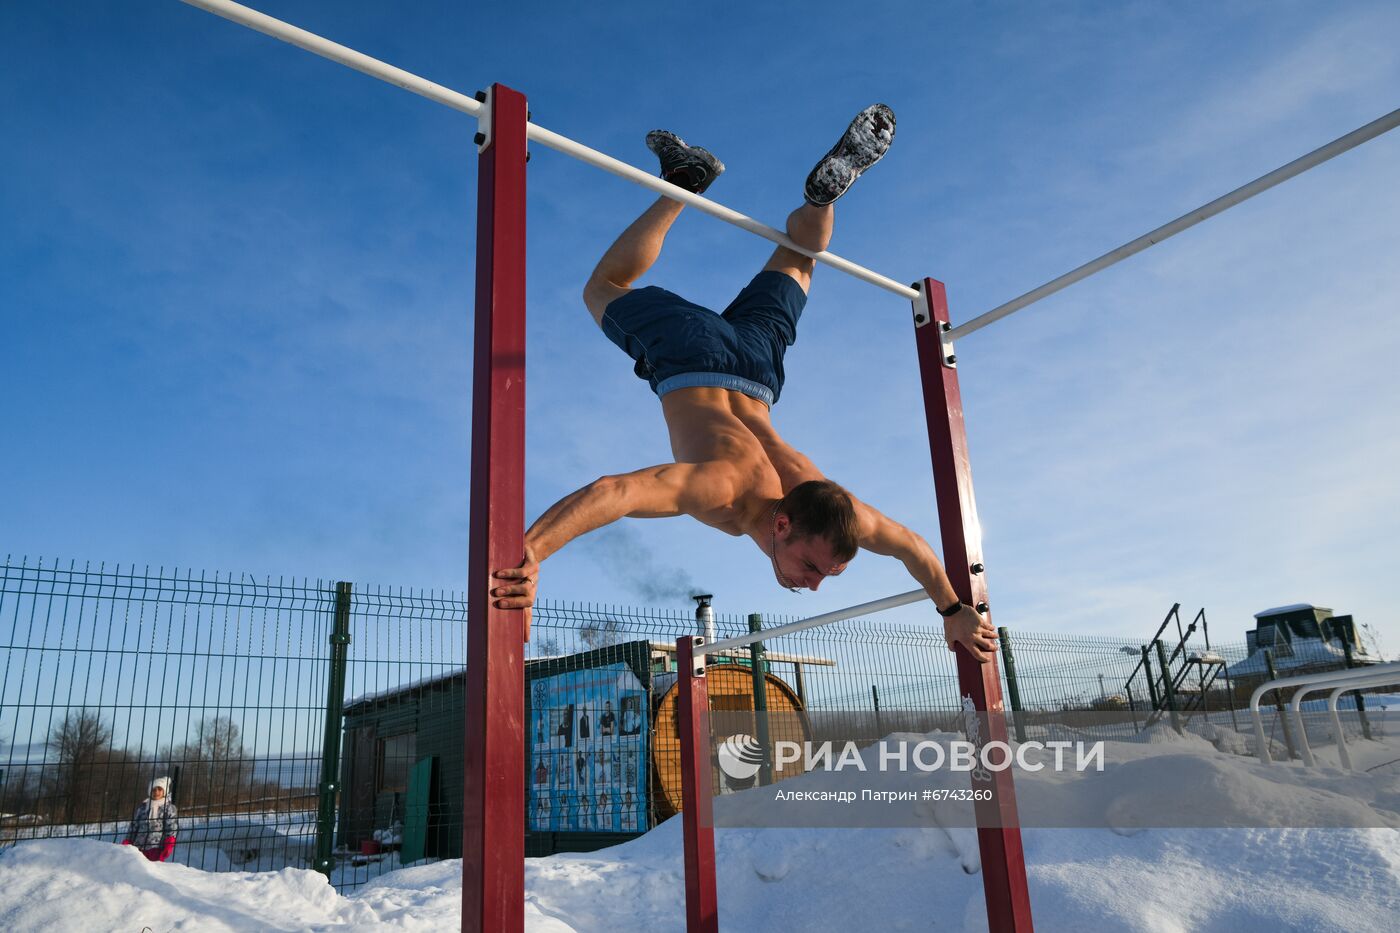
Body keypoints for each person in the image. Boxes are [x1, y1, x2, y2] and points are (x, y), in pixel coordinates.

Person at [492, 105, 997, 662]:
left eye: (825, 573)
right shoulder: (725, 491)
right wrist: (531, 555)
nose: (814, 583)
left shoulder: (833, 506)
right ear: (782, 524)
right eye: (811, 565)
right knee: (603, 288)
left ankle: (819, 202)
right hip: (690, 354)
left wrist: (952, 610)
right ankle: (682, 187)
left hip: (758, 369)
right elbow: (616, 493)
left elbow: (910, 547)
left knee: (802, 257)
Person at [121, 775, 178, 863]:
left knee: (152, 870)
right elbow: (134, 826)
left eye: (159, 789)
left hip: (156, 848)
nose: (156, 792)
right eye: (154, 790)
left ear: (165, 791)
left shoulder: (168, 808)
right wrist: (128, 841)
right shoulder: (143, 807)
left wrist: (169, 843)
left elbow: (171, 827)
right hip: (138, 847)